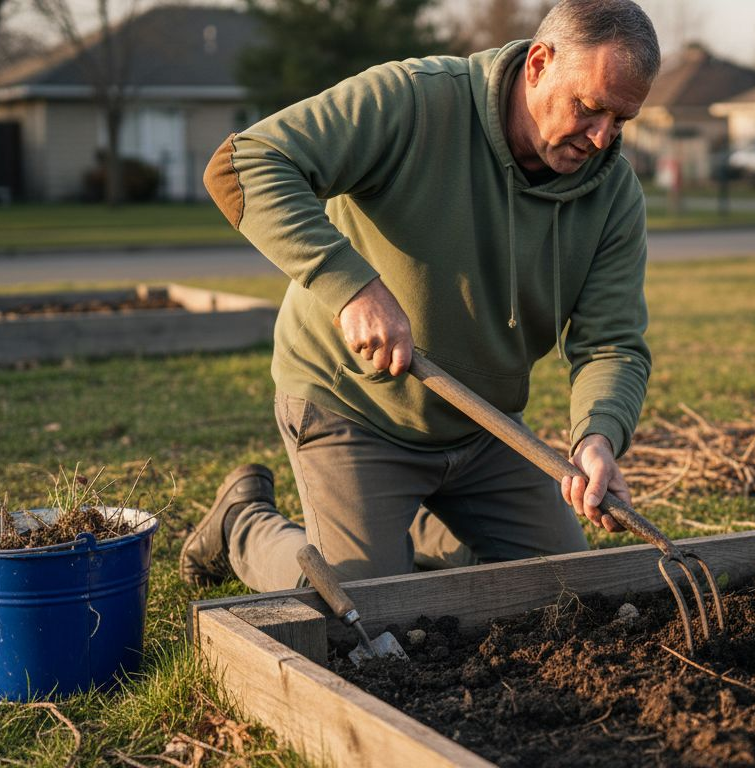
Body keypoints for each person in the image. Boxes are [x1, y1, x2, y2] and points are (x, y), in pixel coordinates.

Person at [180, 0, 660, 590]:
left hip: (483, 426)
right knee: (355, 608)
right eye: (589, 108)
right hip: (355, 409)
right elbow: (244, 163)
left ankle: (411, 527)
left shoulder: (613, 195)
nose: (602, 137)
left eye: (620, 120)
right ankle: (242, 524)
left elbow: (612, 344)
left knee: (562, 583)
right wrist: (351, 287)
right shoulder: (415, 101)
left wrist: (598, 435)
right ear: (539, 64)